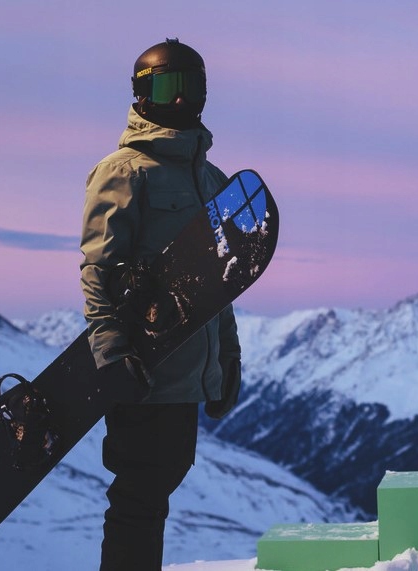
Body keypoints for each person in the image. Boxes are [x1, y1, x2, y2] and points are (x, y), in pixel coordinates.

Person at [79, 38, 242, 570]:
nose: (178, 100)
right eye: (167, 86)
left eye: (189, 87)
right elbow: (99, 268)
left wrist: (228, 357)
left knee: (163, 479)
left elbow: (222, 281)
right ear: (142, 93)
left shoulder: (212, 179)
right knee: (140, 494)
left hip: (187, 368)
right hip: (144, 366)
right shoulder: (124, 171)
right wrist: (110, 352)